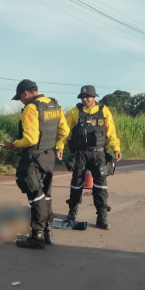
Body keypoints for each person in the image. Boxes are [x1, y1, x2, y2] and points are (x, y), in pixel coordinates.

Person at [3, 79, 70, 249]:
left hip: (34, 157)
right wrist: (58, 145)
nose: (21, 101)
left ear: (25, 93)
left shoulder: (31, 109)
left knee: (35, 195)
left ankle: (36, 236)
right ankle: (48, 231)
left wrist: (14, 144)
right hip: (49, 155)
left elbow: (30, 139)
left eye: (20, 98)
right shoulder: (54, 104)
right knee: (46, 194)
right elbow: (65, 130)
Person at [58, 85, 122, 230]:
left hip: (99, 154)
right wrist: (60, 146)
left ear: (94, 97)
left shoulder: (104, 111)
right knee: (76, 184)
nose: (85, 99)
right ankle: (72, 213)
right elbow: (64, 132)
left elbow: (110, 131)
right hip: (80, 154)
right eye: (82, 97)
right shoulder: (75, 112)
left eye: (88, 96)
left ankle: (102, 217)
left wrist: (116, 147)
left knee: (100, 186)